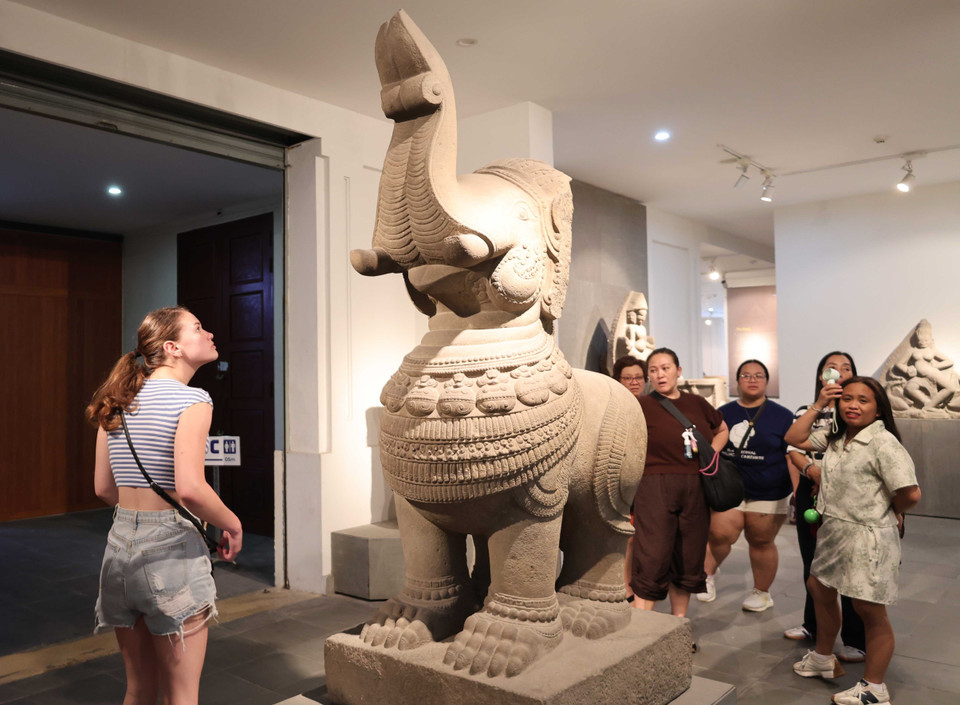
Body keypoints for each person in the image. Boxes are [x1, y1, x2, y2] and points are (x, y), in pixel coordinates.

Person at [86, 306, 243, 705]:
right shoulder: (193, 399)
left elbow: (104, 488)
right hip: (170, 552)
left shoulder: (117, 399)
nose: (209, 333)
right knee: (181, 695)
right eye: (198, 327)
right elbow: (190, 489)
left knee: (138, 690)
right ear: (173, 347)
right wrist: (233, 523)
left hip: (118, 549)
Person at [784, 376, 920, 705]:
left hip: (869, 534)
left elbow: (911, 493)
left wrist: (889, 511)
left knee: (868, 609)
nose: (853, 405)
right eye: (846, 398)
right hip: (834, 530)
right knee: (819, 587)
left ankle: (875, 688)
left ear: (878, 410)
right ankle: (822, 658)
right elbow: (793, 438)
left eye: (863, 400)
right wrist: (819, 403)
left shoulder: (883, 443)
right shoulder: (836, 437)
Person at [630, 348, 729, 620]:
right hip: (654, 487)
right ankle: (641, 631)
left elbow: (722, 429)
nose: (660, 374)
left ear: (678, 370)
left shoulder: (696, 404)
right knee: (651, 556)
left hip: (695, 487)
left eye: (665, 368)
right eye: (654, 370)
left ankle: (679, 626)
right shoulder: (642, 405)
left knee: (687, 557)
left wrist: (711, 456)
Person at [784, 352, 868, 663]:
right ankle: (814, 626)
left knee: (848, 568)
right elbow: (793, 446)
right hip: (812, 489)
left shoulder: (859, 412)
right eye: (832, 368)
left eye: (847, 368)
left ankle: (856, 638)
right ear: (822, 376)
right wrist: (811, 472)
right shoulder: (807, 411)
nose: (840, 372)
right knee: (813, 563)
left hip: (849, 494)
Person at [696, 359, 794, 612]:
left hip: (770, 490)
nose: (752, 379)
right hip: (730, 487)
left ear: (766, 382)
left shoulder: (782, 416)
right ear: (737, 381)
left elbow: (791, 454)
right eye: (746, 375)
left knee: (761, 540)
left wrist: (797, 491)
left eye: (758, 375)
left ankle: (762, 593)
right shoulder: (723, 413)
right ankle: (707, 575)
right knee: (719, 534)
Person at [613, 355, 646, 601]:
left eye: (638, 378)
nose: (634, 382)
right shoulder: (614, 406)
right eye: (628, 378)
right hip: (621, 477)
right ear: (618, 380)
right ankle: (624, 584)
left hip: (649, 479)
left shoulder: (650, 405)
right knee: (627, 534)